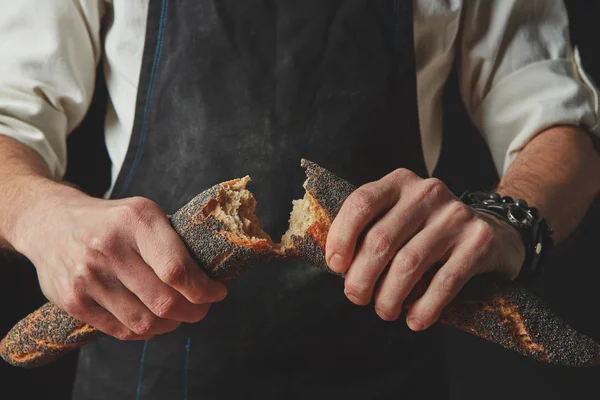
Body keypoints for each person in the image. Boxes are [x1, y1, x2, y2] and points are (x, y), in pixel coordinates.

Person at [1, 0, 599, 398]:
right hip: (146, 372)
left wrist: (506, 218)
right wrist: (38, 212)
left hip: (388, 364)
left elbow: (561, 127)